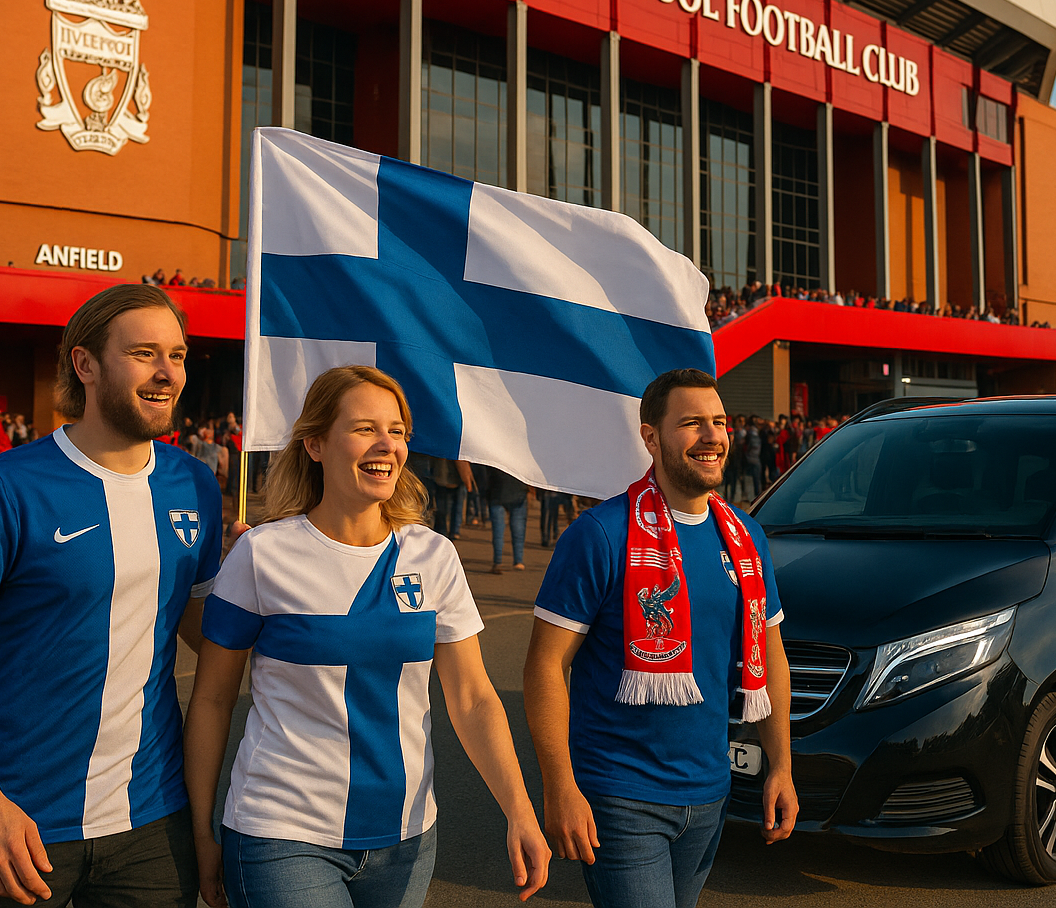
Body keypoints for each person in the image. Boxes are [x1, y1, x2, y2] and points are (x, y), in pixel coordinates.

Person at [183, 365, 550, 908]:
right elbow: (212, 700)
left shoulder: (434, 555)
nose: (387, 445)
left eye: (397, 430)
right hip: (282, 832)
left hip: (407, 837)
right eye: (364, 429)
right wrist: (201, 832)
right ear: (314, 443)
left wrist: (520, 808)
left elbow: (472, 698)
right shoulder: (263, 554)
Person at [0, 284, 223, 907]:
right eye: (144, 353)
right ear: (85, 365)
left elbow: (203, 630)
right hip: (18, 823)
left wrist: (273, 581)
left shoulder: (195, 484)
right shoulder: (1, 488)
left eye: (178, 355)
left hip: (153, 820)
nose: (167, 373)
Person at [523, 368, 796, 908]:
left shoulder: (746, 537)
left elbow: (771, 654)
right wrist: (559, 786)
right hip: (621, 795)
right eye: (691, 423)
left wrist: (781, 766)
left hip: (710, 792)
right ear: (651, 437)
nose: (712, 436)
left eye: (718, 422)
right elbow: (545, 667)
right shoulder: (600, 535)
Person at [479, 464, 529, 574]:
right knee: (518, 530)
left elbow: (485, 475)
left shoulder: (494, 456)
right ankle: (518, 561)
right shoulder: (520, 454)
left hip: (496, 493)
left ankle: (497, 561)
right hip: (518, 492)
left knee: (498, 531)